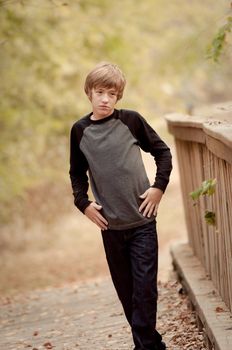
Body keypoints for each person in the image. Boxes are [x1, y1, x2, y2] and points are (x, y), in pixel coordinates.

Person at [69, 62, 172, 350]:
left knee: (145, 292)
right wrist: (84, 204)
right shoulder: (80, 131)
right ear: (89, 93)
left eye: (112, 94)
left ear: (118, 97)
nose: (105, 99)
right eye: (100, 92)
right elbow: (76, 173)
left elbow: (163, 152)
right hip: (111, 227)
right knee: (128, 296)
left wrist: (158, 188)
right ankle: (153, 345)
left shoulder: (131, 121)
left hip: (142, 223)